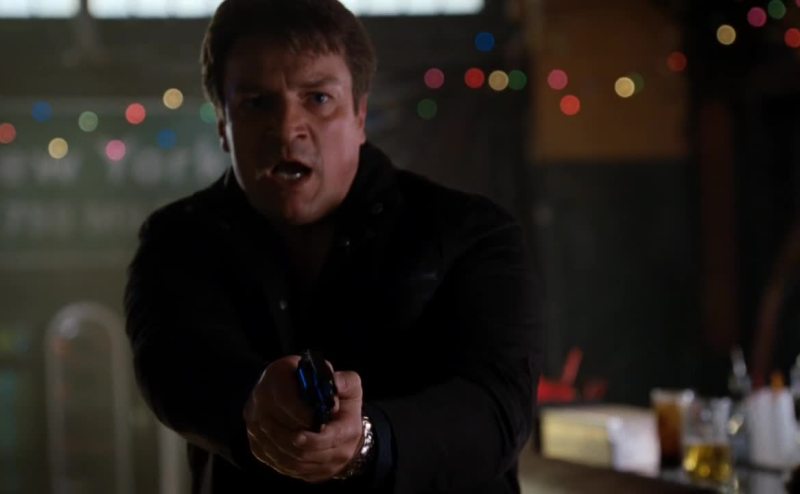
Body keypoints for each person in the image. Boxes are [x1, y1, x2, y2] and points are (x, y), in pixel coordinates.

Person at [124, 0, 541, 492]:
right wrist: (255, 404)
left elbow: (497, 407)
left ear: (360, 114)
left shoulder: (474, 233)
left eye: (318, 98)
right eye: (257, 103)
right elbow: (172, 366)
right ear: (223, 123)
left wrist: (369, 441)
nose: (287, 129)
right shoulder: (178, 240)